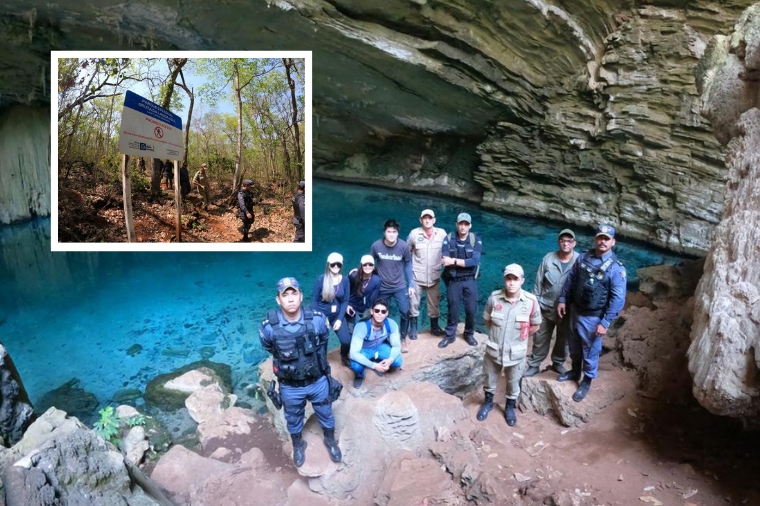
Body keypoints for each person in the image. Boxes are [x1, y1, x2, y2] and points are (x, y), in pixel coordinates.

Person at [259, 277, 342, 467]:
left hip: (317, 381)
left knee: (326, 412)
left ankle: (330, 440)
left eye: (293, 293)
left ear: (301, 296)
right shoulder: (269, 327)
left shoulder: (318, 319)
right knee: (293, 417)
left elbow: (323, 342)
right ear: (278, 300)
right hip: (290, 386)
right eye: (285, 295)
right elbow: (270, 348)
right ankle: (298, 444)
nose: (290, 299)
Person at [557, 224, 627, 402]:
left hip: (594, 317)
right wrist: (563, 299)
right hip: (575, 311)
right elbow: (571, 279)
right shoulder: (583, 258)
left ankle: (586, 380)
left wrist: (605, 323)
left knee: (590, 351)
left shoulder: (616, 269)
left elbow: (618, 299)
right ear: (595, 239)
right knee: (574, 345)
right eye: (600, 237)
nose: (603, 241)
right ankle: (574, 371)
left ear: (613, 242)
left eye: (607, 238)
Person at [477, 264, 541, 426]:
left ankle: (510, 407)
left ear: (522, 281)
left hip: (516, 353)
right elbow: (487, 320)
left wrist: (519, 338)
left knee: (513, 382)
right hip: (494, 350)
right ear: (504, 280)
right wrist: (499, 336)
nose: (511, 283)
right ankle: (488, 402)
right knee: (489, 379)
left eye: (515, 279)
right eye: (508, 278)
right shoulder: (494, 298)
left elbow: (535, 325)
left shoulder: (531, 301)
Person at [523, 229, 580, 377]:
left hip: (567, 311)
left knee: (564, 339)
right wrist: (535, 305)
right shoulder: (549, 258)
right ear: (558, 242)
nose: (565, 243)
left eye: (569, 241)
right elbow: (538, 283)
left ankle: (558, 363)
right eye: (562, 240)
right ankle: (534, 364)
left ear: (574, 243)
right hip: (545, 306)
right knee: (540, 338)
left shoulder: (580, 261)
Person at [438, 213, 482, 348]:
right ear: (457, 224)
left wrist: (454, 261)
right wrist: (461, 262)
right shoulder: (449, 238)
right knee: (453, 307)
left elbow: (475, 261)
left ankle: (469, 333)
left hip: (470, 279)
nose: (463, 227)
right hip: (454, 279)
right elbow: (445, 261)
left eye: (466, 224)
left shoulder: (476, 240)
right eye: (461, 224)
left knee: (471, 308)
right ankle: (450, 335)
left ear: (470, 226)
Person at [370, 219, 415, 352]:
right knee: (381, 313)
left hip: (399, 285)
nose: (391, 234)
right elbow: (369, 264)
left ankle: (402, 339)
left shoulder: (403, 246)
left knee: (404, 311)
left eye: (394, 232)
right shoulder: (376, 246)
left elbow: (407, 264)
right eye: (389, 232)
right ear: (384, 232)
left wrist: (411, 284)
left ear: (397, 233)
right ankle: (383, 337)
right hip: (382, 286)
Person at [406, 209, 447, 338]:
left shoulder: (441, 234)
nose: (427, 220)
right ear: (421, 220)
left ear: (434, 220)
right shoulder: (414, 234)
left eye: (430, 218)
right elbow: (406, 252)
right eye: (425, 218)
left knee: (434, 304)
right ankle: (413, 328)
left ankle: (434, 327)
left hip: (434, 276)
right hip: (417, 276)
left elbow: (447, 251)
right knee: (413, 303)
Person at [348, 299, 403, 389]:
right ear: (372, 312)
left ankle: (378, 361)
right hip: (364, 350)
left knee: (397, 361)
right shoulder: (362, 326)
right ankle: (360, 375)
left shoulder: (391, 324)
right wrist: (374, 366)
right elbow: (353, 353)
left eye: (383, 311)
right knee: (356, 366)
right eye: (377, 311)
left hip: (379, 347)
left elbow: (396, 346)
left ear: (387, 313)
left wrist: (390, 359)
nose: (380, 314)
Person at [311, 253, 351, 367]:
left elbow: (345, 301)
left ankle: (344, 355)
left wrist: (339, 319)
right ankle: (321, 363)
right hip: (322, 315)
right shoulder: (321, 279)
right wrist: (320, 319)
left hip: (336, 315)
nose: (336, 267)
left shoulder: (345, 281)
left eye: (338, 265)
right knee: (322, 344)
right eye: (333, 264)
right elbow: (315, 301)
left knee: (346, 341)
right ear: (328, 265)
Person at [346, 255, 381, 334]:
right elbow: (345, 290)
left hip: (365, 309)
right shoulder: (353, 276)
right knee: (351, 332)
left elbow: (374, 298)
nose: (368, 266)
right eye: (365, 264)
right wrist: (347, 305)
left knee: (363, 331)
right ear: (361, 266)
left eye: (370, 264)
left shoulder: (376, 280)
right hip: (351, 308)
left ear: (373, 266)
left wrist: (372, 310)